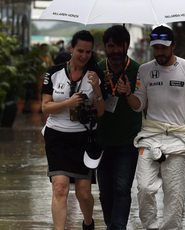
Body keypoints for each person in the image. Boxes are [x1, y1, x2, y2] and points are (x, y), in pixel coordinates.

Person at [117, 25, 185, 230]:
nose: (159, 52)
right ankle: (150, 227)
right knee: (144, 188)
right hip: (150, 136)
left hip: (178, 139)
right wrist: (127, 93)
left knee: (174, 195)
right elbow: (138, 104)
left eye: (163, 48)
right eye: (156, 47)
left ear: (173, 46)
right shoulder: (144, 70)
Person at [41, 30, 105, 230]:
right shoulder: (53, 73)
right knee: (59, 187)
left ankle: (88, 223)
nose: (84, 56)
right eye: (80, 51)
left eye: (88, 52)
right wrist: (68, 103)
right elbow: (45, 107)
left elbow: (101, 112)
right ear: (71, 49)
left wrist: (96, 90)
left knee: (83, 192)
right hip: (57, 136)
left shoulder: (95, 75)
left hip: (82, 137)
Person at [96, 25, 142, 229]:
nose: (115, 51)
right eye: (110, 46)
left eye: (118, 46)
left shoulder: (138, 70)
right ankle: (110, 224)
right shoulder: (96, 69)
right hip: (102, 140)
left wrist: (128, 92)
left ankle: (118, 227)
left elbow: (142, 104)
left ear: (127, 46)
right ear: (105, 47)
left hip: (128, 140)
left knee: (122, 187)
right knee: (105, 190)